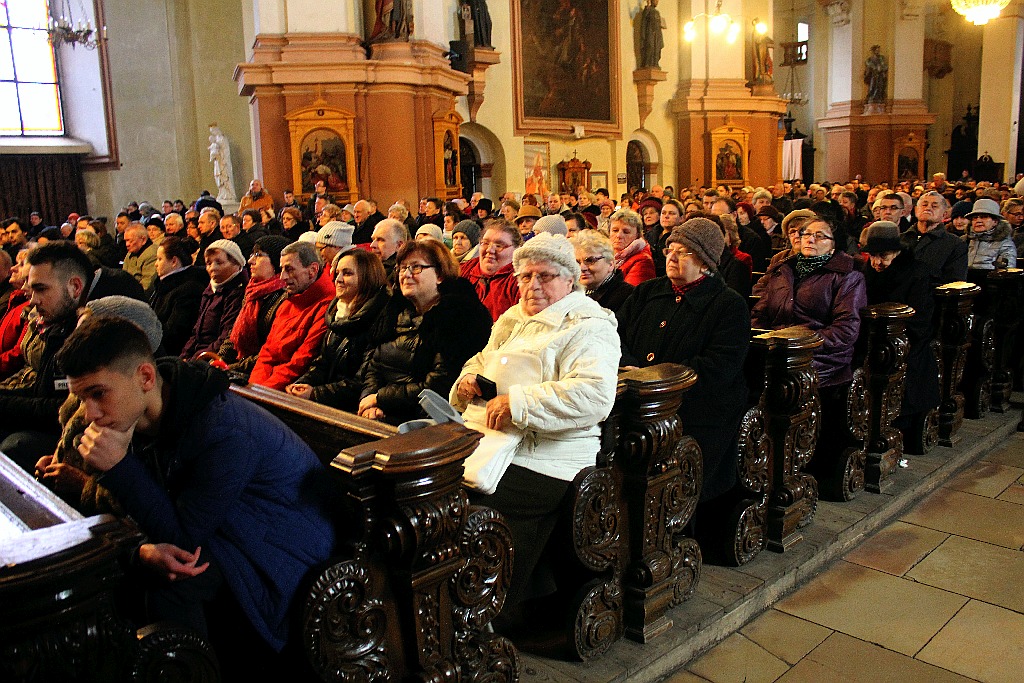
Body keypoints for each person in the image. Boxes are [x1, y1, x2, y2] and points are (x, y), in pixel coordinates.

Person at [55, 315, 335, 655]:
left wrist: (118, 468)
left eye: (98, 393)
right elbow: (146, 514)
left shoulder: (223, 430)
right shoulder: (141, 418)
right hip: (230, 531)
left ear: (145, 376)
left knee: (173, 580)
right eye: (82, 398)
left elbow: (182, 539)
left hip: (282, 557)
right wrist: (139, 551)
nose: (89, 414)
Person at [451, 232, 619, 612]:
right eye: (525, 277)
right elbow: (481, 360)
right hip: (493, 444)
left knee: (471, 510)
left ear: (569, 280)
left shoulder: (589, 325)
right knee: (435, 496)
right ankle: (453, 606)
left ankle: (491, 608)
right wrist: (467, 381)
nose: (533, 285)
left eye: (545, 276)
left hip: (549, 457)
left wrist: (520, 404)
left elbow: (594, 396)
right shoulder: (513, 318)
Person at [617, 218, 750, 503]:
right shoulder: (647, 292)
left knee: (670, 474)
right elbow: (615, 335)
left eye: (684, 252)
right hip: (636, 400)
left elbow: (719, 367)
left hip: (694, 410)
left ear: (706, 262)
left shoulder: (728, 305)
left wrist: (660, 382)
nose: (672, 257)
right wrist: (631, 367)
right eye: (670, 249)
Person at [359, 240, 491, 424]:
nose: (406, 274)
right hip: (382, 411)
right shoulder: (395, 310)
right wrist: (369, 401)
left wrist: (380, 399)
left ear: (440, 274)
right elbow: (373, 366)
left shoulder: (459, 315)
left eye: (416, 268)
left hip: (429, 419)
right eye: (402, 268)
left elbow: (438, 385)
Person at [0, 243, 95, 467]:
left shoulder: (88, 332)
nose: (32, 300)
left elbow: (63, 409)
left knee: (14, 447)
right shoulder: (57, 325)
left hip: (73, 439)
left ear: (75, 287)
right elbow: (43, 390)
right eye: (31, 290)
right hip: (48, 423)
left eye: (41, 289)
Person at [752, 216, 867, 389]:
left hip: (822, 358)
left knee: (785, 384)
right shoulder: (784, 269)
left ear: (833, 245)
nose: (810, 239)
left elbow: (845, 330)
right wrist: (764, 342)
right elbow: (759, 313)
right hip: (777, 351)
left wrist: (798, 345)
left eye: (820, 236)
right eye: (806, 234)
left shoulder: (847, 276)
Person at [859, 222, 939, 443]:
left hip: (906, 339)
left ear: (897, 252)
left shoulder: (917, 273)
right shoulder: (866, 271)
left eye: (883, 256)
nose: (876, 262)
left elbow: (920, 319)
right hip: (872, 338)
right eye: (872, 256)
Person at [286, 250, 391, 412]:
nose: (338, 279)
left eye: (347, 273)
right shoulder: (338, 314)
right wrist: (302, 383)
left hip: (351, 408)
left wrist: (315, 393)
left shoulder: (379, 318)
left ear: (367, 278)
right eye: (337, 273)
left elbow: (361, 382)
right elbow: (323, 363)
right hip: (329, 402)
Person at [248, 241, 336, 390]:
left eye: (289, 269)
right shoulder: (289, 301)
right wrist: (255, 387)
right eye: (282, 269)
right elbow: (267, 354)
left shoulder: (326, 306)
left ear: (312, 270)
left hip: (286, 393)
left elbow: (301, 362)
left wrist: (263, 393)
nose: (282, 277)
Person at [217, 236, 291, 374]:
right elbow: (234, 334)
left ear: (276, 262)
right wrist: (220, 359)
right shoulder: (252, 291)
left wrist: (229, 369)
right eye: (252, 254)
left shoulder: (284, 298)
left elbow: (270, 352)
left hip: (261, 372)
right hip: (241, 367)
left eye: (258, 255)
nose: (250, 260)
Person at [180, 240, 249, 360]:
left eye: (219, 262)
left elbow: (226, 337)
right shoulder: (210, 290)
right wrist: (184, 356)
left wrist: (193, 361)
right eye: (208, 263)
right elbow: (196, 332)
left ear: (237, 264)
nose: (212, 268)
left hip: (213, 358)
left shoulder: (238, 293)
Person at [150, 236, 209, 357]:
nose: (156, 264)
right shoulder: (164, 284)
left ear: (174, 261)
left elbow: (175, 333)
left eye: (160, 259)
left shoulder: (189, 290)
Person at [900, 191, 968, 285]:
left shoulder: (956, 245)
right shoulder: (900, 239)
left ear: (944, 214)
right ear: (916, 211)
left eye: (934, 206)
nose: (928, 208)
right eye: (924, 205)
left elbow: (955, 283)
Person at [460, 220, 523, 320]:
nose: (489, 250)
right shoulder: (464, 270)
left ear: (517, 250)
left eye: (499, 245)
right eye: (485, 243)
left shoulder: (520, 281)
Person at [573, 230, 633, 312]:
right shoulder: (575, 295)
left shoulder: (628, 297)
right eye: (577, 262)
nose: (582, 268)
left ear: (611, 264)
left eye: (590, 260)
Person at [964, 198, 1016, 270]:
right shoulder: (964, 240)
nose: (978, 221)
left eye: (984, 217)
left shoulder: (1005, 244)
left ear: (995, 221)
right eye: (975, 218)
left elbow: (1007, 272)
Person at [609, 208, 656, 286]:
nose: (619, 235)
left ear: (637, 235)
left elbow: (628, 294)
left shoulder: (643, 261)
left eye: (626, 232)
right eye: (615, 230)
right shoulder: (606, 254)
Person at [122, 223, 158, 290]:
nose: (127, 244)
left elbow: (147, 286)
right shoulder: (130, 253)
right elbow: (123, 277)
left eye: (130, 241)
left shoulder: (152, 255)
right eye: (126, 241)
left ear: (143, 240)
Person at [638, 0, 666, 68]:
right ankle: (647, 63)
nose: (657, 2)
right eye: (655, 0)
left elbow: (659, 23)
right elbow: (644, 21)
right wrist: (647, 7)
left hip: (657, 34)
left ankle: (655, 63)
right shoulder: (648, 10)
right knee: (650, 47)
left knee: (657, 48)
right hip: (650, 32)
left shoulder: (657, 12)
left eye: (657, 1)